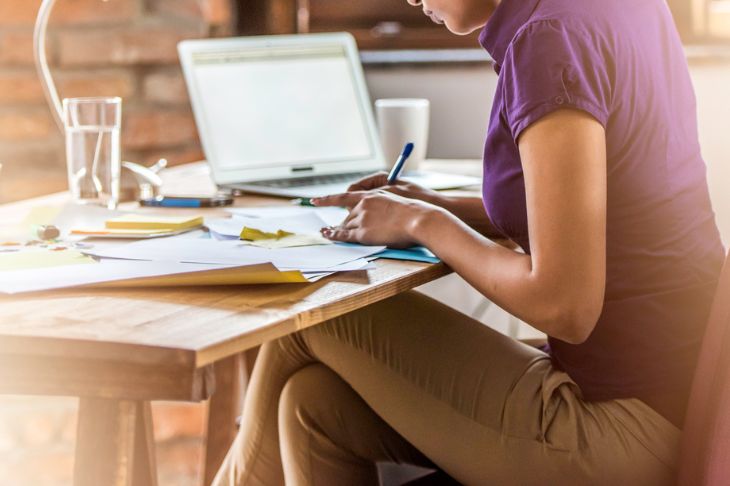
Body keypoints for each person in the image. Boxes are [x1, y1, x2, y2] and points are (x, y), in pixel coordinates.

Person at [213, 0, 725, 484]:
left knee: (311, 313)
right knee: (311, 402)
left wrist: (424, 225)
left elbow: (566, 304)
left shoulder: (549, 40)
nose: (410, 0)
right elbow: (598, 207)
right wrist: (435, 208)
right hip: (679, 400)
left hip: (625, 430)